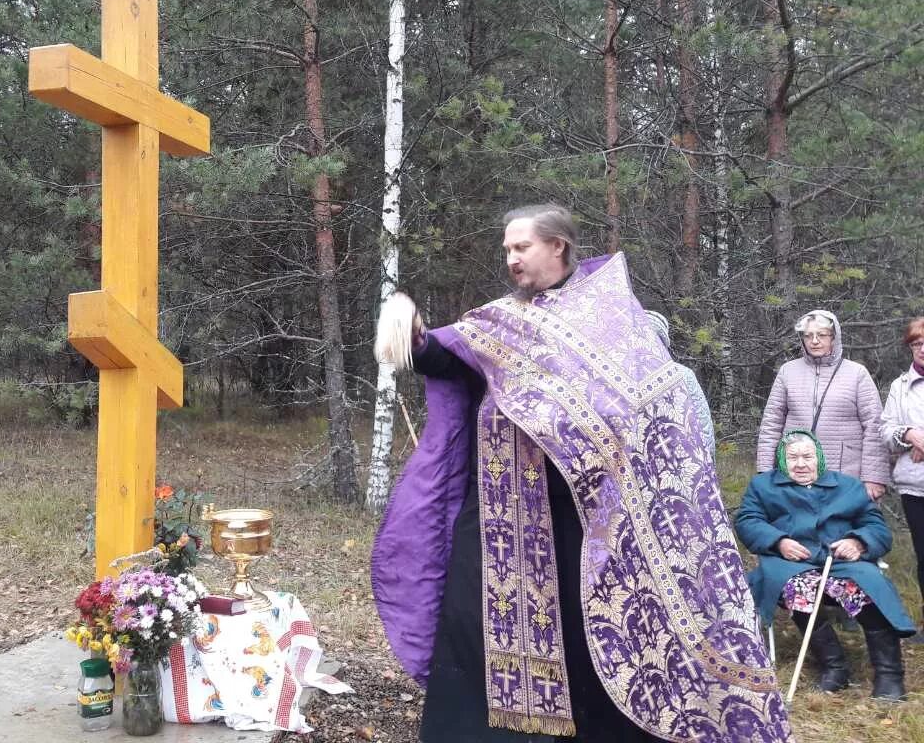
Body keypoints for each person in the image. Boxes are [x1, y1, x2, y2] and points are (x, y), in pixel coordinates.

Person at [372, 204, 792, 743]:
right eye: (506, 249)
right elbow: (453, 357)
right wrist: (416, 336)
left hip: (590, 514)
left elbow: (650, 407)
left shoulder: (614, 320)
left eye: (521, 247)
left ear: (558, 247)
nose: (511, 259)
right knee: (475, 624)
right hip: (505, 510)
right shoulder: (504, 318)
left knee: (590, 635)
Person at [735, 429, 912, 700]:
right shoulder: (763, 486)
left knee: (865, 587)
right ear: (782, 460)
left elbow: (875, 525)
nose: (801, 464)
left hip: (841, 562)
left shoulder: (848, 486)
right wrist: (778, 541)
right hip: (792, 564)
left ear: (819, 457)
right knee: (798, 588)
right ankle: (835, 667)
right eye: (792, 457)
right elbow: (748, 520)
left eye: (807, 456)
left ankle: (889, 674)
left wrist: (858, 542)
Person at [756, 309, 888, 500]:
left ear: (834, 338)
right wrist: (765, 472)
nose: (814, 341)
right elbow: (771, 425)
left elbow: (875, 427)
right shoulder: (787, 371)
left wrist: (873, 478)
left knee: (842, 529)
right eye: (808, 335)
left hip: (844, 475)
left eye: (821, 335)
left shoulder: (857, 373)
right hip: (794, 473)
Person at [879, 316, 924, 624]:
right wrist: (909, 435)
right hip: (915, 486)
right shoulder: (900, 387)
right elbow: (885, 432)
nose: (922, 349)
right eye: (916, 344)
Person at [645, 310, 715, 458]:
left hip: (680, 457)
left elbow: (703, 425)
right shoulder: (620, 379)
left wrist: (707, 460)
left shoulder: (683, 375)